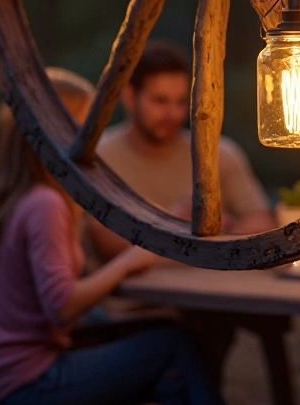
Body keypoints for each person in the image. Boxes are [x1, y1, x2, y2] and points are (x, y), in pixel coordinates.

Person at [0, 69, 236, 405]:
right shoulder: (45, 204)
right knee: (175, 345)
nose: (94, 136)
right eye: (85, 124)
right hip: (23, 381)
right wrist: (129, 261)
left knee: (175, 369)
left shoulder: (17, 195)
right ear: (53, 131)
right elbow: (62, 306)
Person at [89, 39, 275, 261]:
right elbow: (107, 242)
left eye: (180, 102)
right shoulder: (100, 156)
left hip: (212, 292)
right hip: (132, 295)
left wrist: (216, 226)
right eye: (160, 101)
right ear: (129, 97)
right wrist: (178, 222)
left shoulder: (218, 153)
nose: (173, 114)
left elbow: (263, 224)